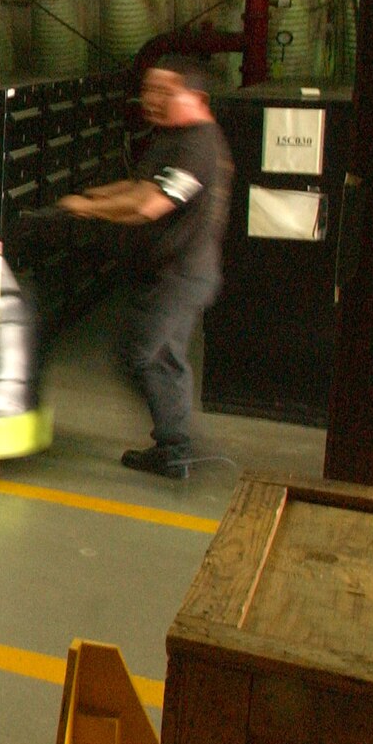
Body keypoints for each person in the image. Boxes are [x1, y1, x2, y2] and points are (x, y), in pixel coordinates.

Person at [57, 55, 233, 479]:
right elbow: (140, 185)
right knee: (165, 358)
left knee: (139, 354)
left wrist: (89, 209)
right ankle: (175, 448)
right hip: (173, 271)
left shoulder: (197, 146)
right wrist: (95, 195)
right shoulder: (173, 137)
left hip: (182, 274)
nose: (152, 100)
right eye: (149, 90)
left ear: (198, 98)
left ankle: (178, 444)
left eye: (165, 92)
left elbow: (150, 205)